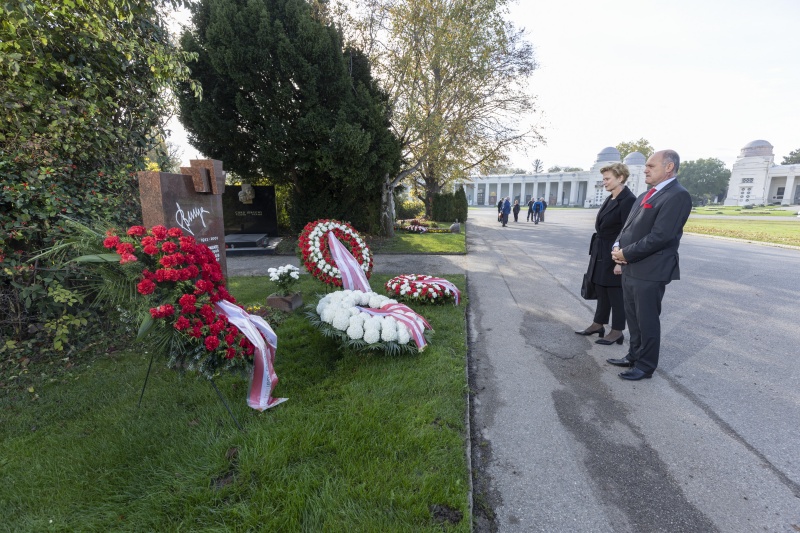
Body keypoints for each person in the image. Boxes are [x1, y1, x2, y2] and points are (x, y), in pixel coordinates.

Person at [608, 149, 692, 381]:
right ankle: (633, 355)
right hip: (631, 266)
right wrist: (617, 246)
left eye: (651, 166)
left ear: (669, 168)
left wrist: (626, 253)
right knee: (633, 317)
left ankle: (645, 366)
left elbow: (661, 236)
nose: (645, 169)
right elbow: (628, 227)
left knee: (647, 320)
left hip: (651, 269)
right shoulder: (649, 193)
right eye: (645, 165)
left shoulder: (677, 195)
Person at [574, 163, 636, 347]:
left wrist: (620, 262)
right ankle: (598, 324)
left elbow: (628, 232)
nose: (604, 182)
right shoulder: (611, 198)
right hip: (601, 251)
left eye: (608, 179)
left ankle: (617, 331)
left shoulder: (628, 200)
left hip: (615, 253)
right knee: (601, 289)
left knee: (615, 293)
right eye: (604, 179)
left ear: (620, 178)